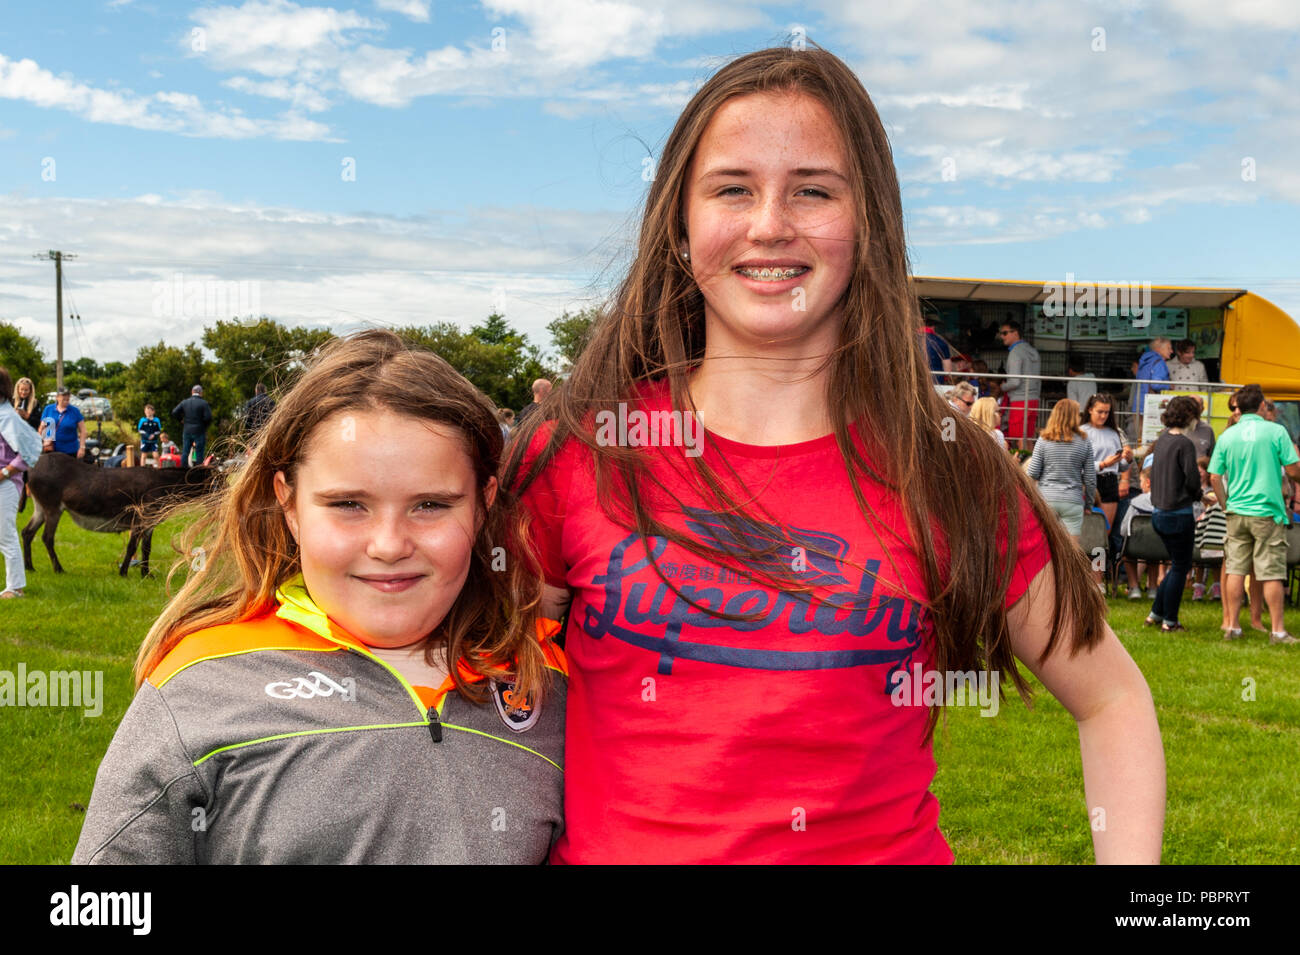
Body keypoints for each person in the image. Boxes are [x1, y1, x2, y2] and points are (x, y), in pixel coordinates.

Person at [505, 46, 1162, 864]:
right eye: (732, 188)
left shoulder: (949, 469)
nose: (770, 222)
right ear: (679, 228)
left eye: (812, 190)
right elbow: (465, 682)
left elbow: (1112, 699)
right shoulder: (577, 451)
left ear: (868, 229)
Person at [73, 330, 566, 864]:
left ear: (483, 505)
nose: (388, 545)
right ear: (289, 504)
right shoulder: (200, 684)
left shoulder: (548, 680)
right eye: (349, 504)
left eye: (430, 505)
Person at [1208, 384, 1300, 643]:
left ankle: (1233, 627)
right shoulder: (1276, 431)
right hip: (1267, 511)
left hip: (1236, 511)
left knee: (1236, 569)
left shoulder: (1228, 435)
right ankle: (1278, 631)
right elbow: (1293, 471)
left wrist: (1225, 505)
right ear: (1261, 406)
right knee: (1270, 571)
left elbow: (1215, 477)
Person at [1144, 396, 1203, 633]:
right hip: (1178, 513)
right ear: (1190, 416)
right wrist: (1199, 494)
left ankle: (1156, 614)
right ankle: (1170, 621)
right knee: (1181, 566)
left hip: (1159, 512)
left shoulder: (1162, 440)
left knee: (1176, 566)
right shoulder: (1184, 444)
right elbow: (1191, 477)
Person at [1025, 399, 1099, 545]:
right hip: (1073, 501)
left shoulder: (1044, 439)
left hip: (1046, 500)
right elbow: (1090, 478)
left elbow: (1032, 473)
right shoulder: (1084, 441)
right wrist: (1089, 504)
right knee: (1071, 552)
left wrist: (1031, 500)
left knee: (1045, 550)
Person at [0, 367, 42, 598]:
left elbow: (30, 450)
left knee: (5, 534)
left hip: (5, 484)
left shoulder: (7, 417)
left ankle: (15, 588)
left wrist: (5, 472)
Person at [999, 319, 1041, 451]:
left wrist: (1002, 387)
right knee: (1028, 438)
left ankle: (1021, 469)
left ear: (1015, 333)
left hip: (1019, 400)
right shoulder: (1033, 351)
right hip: (1034, 399)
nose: (1002, 336)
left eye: (1005, 333)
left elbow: (1015, 382)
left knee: (1018, 439)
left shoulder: (1015, 352)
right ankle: (1030, 467)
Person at [1129, 338, 1173, 440]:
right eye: (1169, 348)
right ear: (1159, 349)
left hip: (1138, 405)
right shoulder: (1159, 363)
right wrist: (1169, 386)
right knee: (1152, 440)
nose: (1171, 351)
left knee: (1141, 439)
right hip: (1151, 407)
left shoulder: (1144, 361)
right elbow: (1156, 385)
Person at [172, 384, 213, 468]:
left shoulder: (185, 402)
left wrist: (181, 420)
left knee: (185, 451)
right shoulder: (203, 403)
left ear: (192, 392)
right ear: (201, 393)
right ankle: (198, 471)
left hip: (187, 430)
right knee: (199, 452)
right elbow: (208, 417)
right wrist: (204, 426)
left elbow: (175, 412)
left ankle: (183, 470)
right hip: (199, 431)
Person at [39, 386, 86, 458]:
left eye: (68, 398)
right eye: (63, 398)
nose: (66, 400)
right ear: (57, 397)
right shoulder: (48, 409)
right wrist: (44, 440)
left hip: (70, 450)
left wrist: (82, 447)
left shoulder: (75, 411)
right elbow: (42, 427)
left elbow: (83, 430)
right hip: (51, 449)